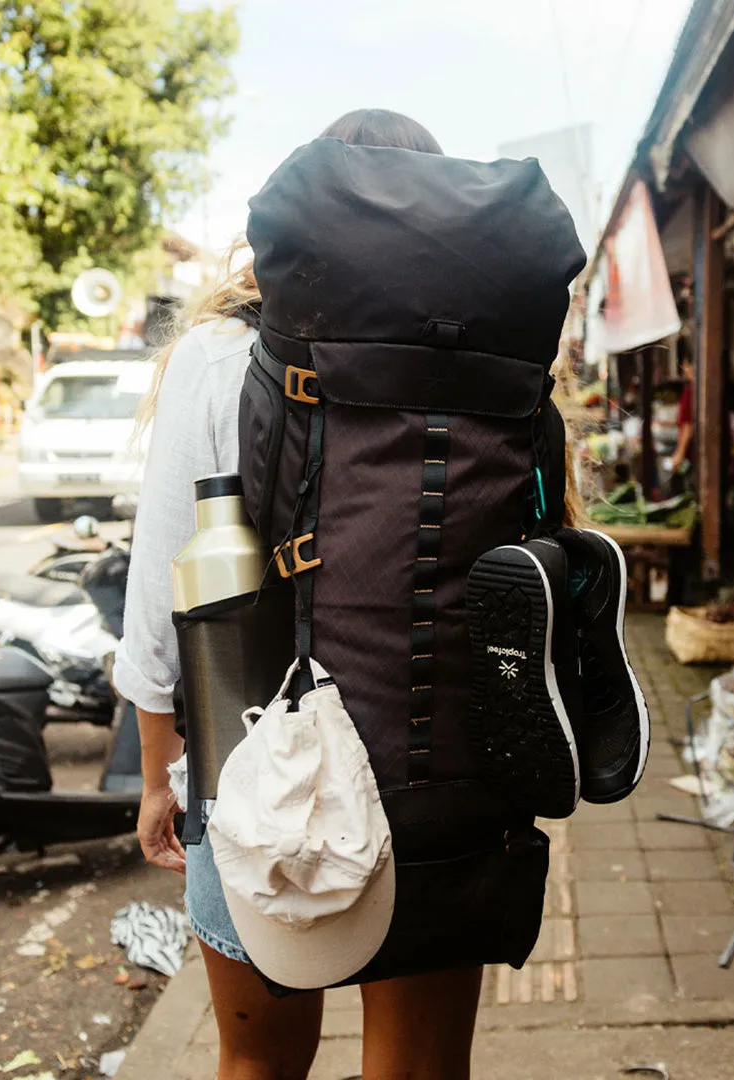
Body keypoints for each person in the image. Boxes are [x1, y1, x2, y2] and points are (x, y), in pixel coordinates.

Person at [115, 109, 552, 1080]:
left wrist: (159, 778)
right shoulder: (491, 373)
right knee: (419, 1070)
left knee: (259, 1065)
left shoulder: (220, 357)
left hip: (250, 783)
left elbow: (162, 604)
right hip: (441, 782)